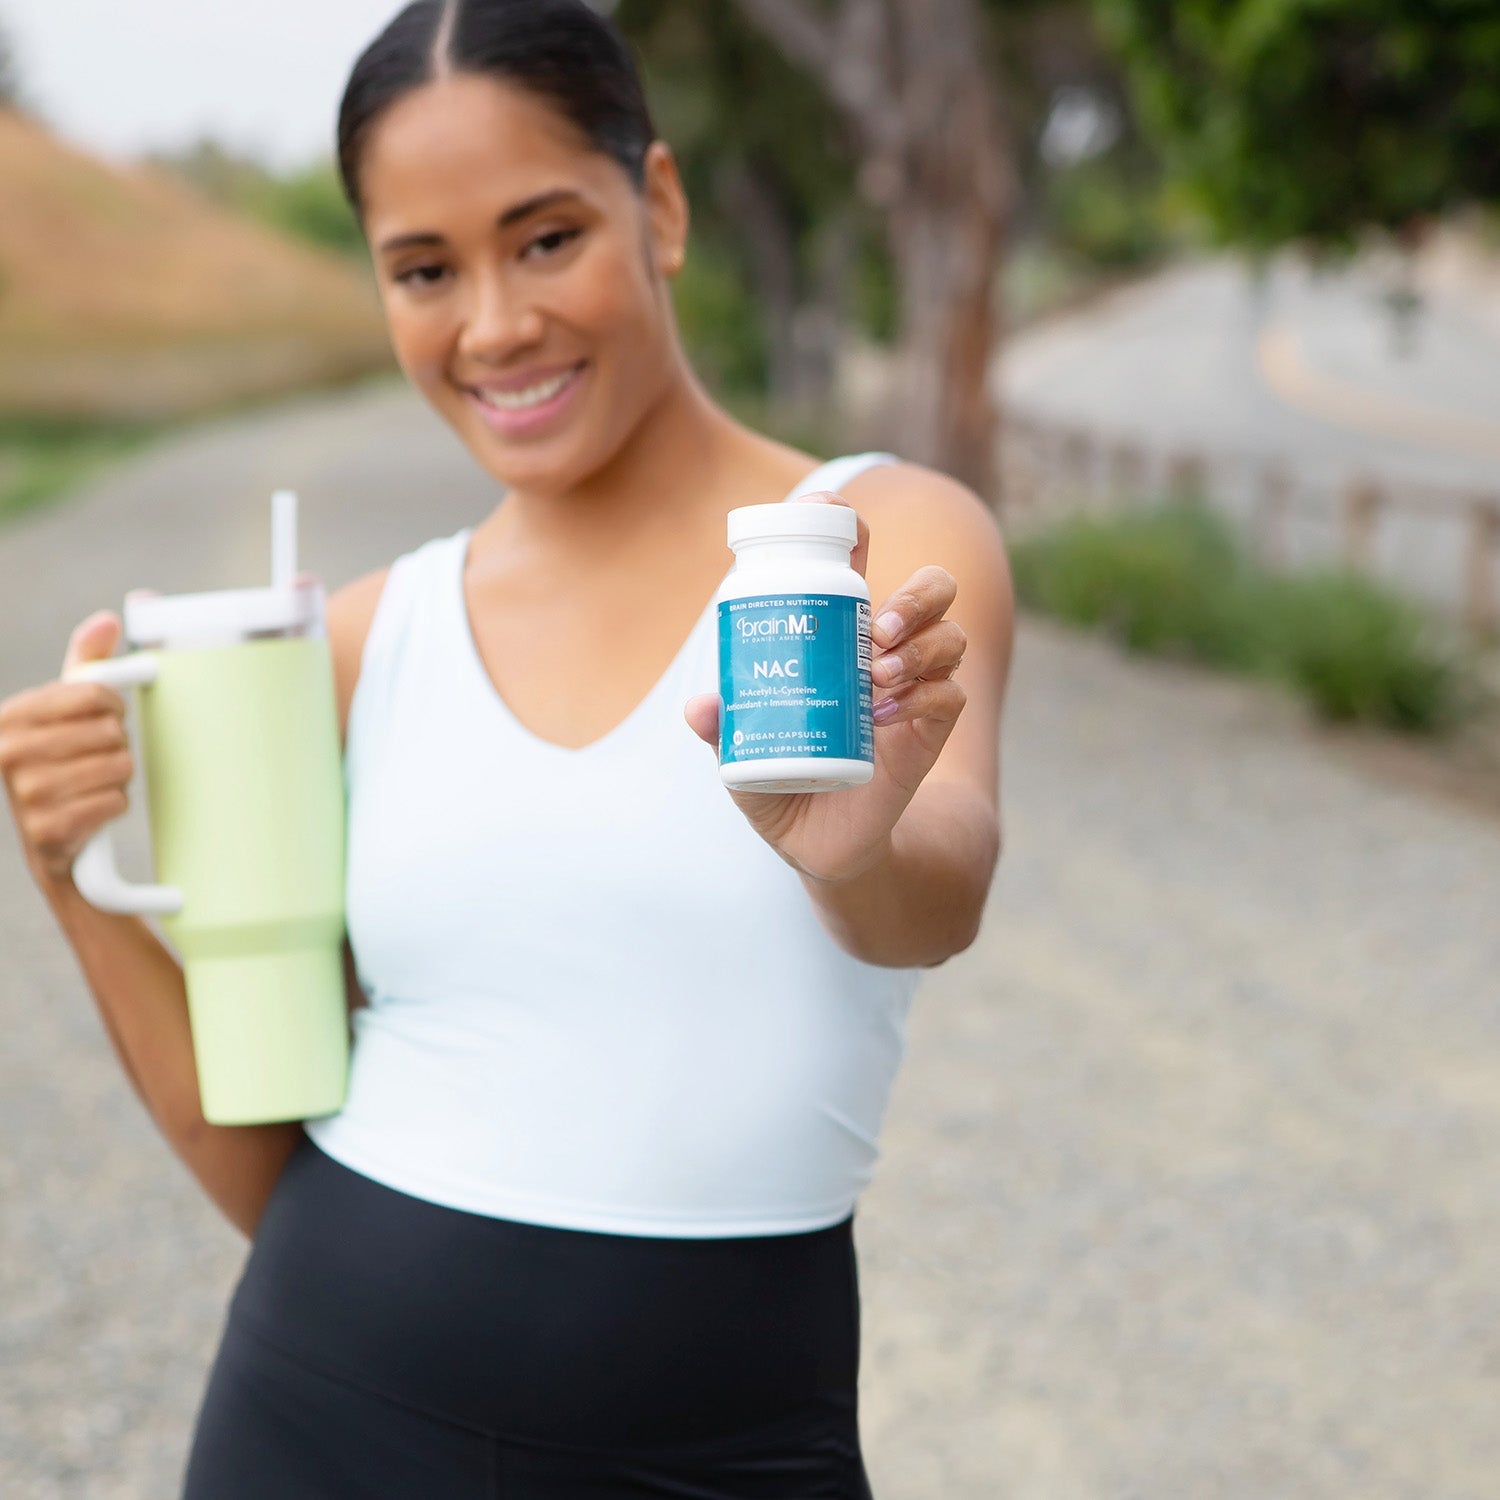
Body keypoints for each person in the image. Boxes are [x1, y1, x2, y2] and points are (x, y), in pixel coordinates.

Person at [0, 0, 1014, 1494]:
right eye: (425, 268)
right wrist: (73, 877)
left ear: (656, 206)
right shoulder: (354, 641)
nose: (493, 324)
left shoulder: (862, 542)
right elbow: (264, 1143)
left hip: (724, 1452)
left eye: (545, 238)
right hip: (311, 1416)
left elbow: (943, 889)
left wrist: (853, 854)